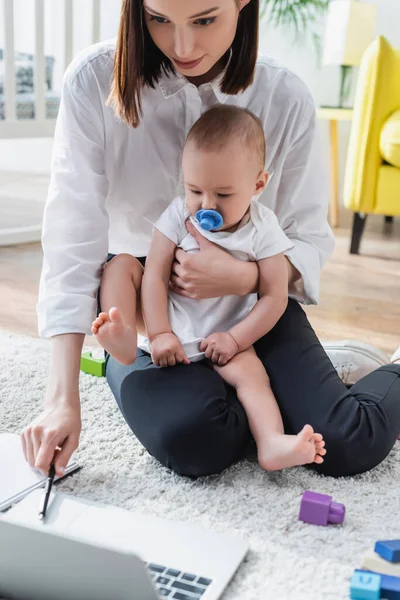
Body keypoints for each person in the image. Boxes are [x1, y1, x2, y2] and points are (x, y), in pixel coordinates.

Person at [22, 0, 400, 480]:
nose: (181, 46)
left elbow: (308, 238)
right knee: (197, 441)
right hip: (150, 320)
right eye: (158, 18)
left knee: (347, 442)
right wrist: (61, 399)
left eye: (204, 19)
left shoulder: (284, 96)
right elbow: (71, 241)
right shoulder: (93, 81)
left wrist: (242, 276)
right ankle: (301, 385)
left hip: (254, 302)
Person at [91, 105, 327, 472]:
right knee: (121, 264)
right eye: (195, 190)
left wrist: (235, 340)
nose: (206, 206)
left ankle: (271, 443)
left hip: (226, 337)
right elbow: (153, 275)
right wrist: (159, 333)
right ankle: (121, 340)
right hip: (170, 324)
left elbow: (275, 297)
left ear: (258, 184)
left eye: (224, 194)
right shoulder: (177, 215)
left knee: (254, 380)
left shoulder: (265, 229)